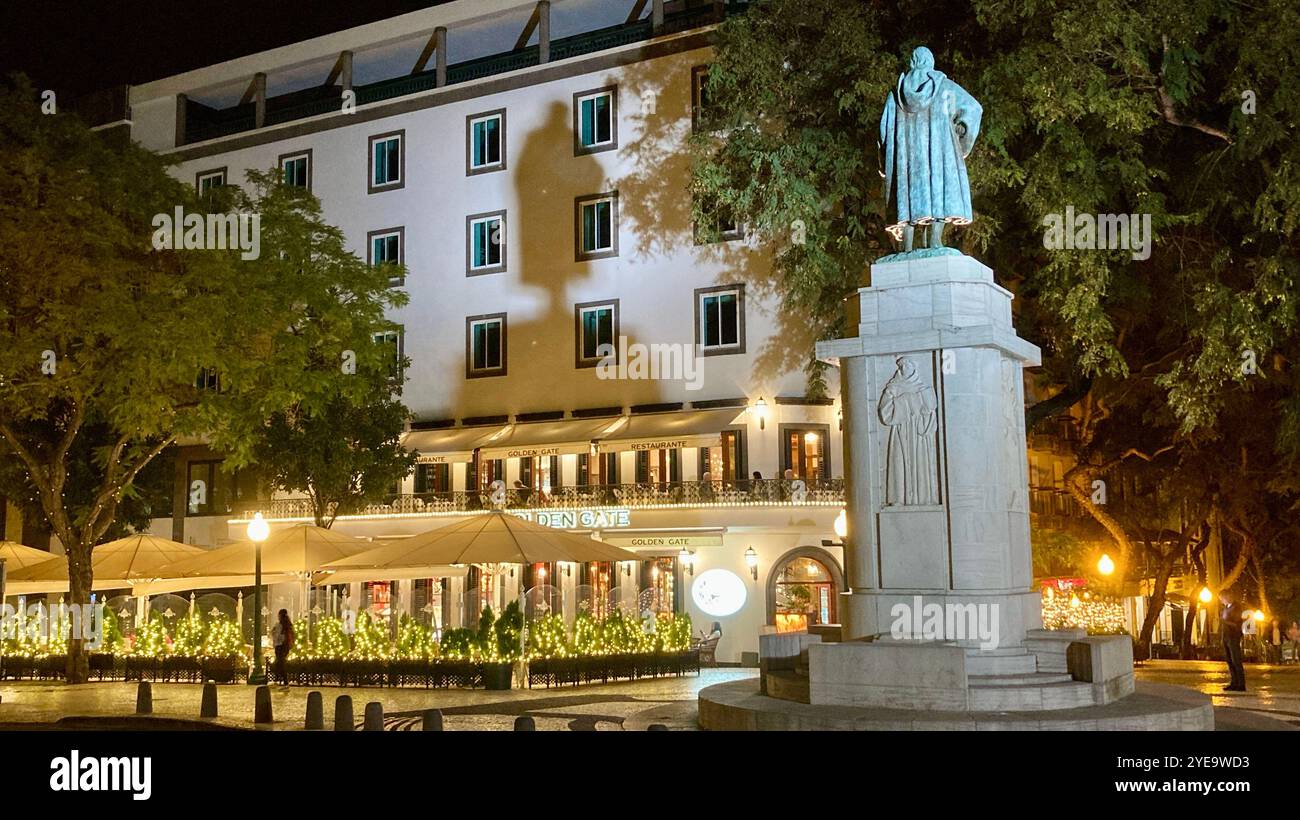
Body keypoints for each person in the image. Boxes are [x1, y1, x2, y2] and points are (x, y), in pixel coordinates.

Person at [1218, 591, 1247, 692]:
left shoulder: (1236, 607)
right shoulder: (1226, 608)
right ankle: (1234, 682)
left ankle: (1241, 684)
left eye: (1221, 598)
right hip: (1226, 637)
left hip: (1233, 637)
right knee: (1229, 660)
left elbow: (1236, 623)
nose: (1221, 600)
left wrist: (1224, 621)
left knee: (1236, 660)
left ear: (1227, 596)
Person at [271, 609, 294, 686]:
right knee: (280, 662)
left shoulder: (282, 625)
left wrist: (275, 635)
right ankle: (281, 679)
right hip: (283, 646)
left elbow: (279, 636)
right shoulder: (286, 625)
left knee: (280, 662)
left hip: (281, 645)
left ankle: (283, 680)